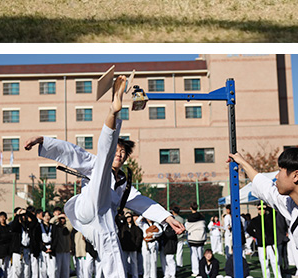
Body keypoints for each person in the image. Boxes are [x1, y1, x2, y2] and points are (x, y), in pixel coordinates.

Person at [24, 75, 184, 278]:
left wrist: (167, 217)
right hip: (85, 207)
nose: (120, 154)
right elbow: (73, 153)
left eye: (123, 153)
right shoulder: (95, 163)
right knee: (102, 163)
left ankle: (114, 111)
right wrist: (42, 140)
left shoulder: (124, 183)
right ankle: (113, 111)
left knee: (113, 254)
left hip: (101, 220)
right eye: (118, 151)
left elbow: (141, 202)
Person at [229, 148, 298, 278]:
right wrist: (243, 163)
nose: (276, 176)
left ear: (296, 175)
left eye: (280, 171)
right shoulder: (293, 206)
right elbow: (267, 190)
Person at [246, 204, 280, 278]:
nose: (261, 211)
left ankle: (278, 276)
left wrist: (267, 207)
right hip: (261, 245)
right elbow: (248, 229)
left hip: (271, 244)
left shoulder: (270, 217)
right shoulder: (255, 220)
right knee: (264, 263)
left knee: (275, 262)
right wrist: (257, 236)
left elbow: (275, 213)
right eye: (259, 209)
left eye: (263, 209)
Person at [184, 203, 207, 276]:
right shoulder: (202, 216)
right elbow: (203, 225)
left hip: (192, 238)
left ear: (190, 208)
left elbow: (187, 228)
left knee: (194, 256)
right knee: (201, 255)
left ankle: (195, 271)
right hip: (201, 238)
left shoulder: (189, 217)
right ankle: (202, 270)